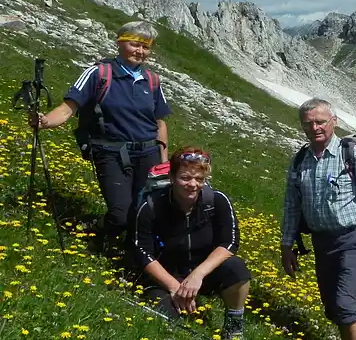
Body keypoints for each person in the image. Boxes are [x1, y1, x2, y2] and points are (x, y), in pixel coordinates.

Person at [28, 21, 171, 247]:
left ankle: (132, 254)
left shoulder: (152, 80)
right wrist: (44, 122)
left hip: (148, 153)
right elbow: (67, 109)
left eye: (146, 47)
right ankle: (95, 231)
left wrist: (164, 161)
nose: (140, 51)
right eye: (135, 44)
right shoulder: (99, 73)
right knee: (121, 214)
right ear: (120, 43)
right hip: (111, 152)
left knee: (146, 210)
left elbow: (159, 123)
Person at [280, 98, 356, 340]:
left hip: (354, 240)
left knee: (344, 304)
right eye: (308, 123)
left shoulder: (352, 154)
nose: (315, 128)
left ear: (334, 122)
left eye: (320, 122)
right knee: (334, 307)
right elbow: (292, 205)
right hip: (322, 243)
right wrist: (286, 244)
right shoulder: (301, 160)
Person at [128, 146, 251, 340]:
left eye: (199, 179)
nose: (192, 184)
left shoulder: (218, 201)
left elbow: (230, 243)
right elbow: (141, 251)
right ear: (172, 177)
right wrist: (174, 287)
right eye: (185, 178)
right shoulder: (151, 206)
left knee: (237, 268)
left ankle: (234, 326)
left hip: (203, 272)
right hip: (166, 274)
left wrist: (197, 275)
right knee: (166, 320)